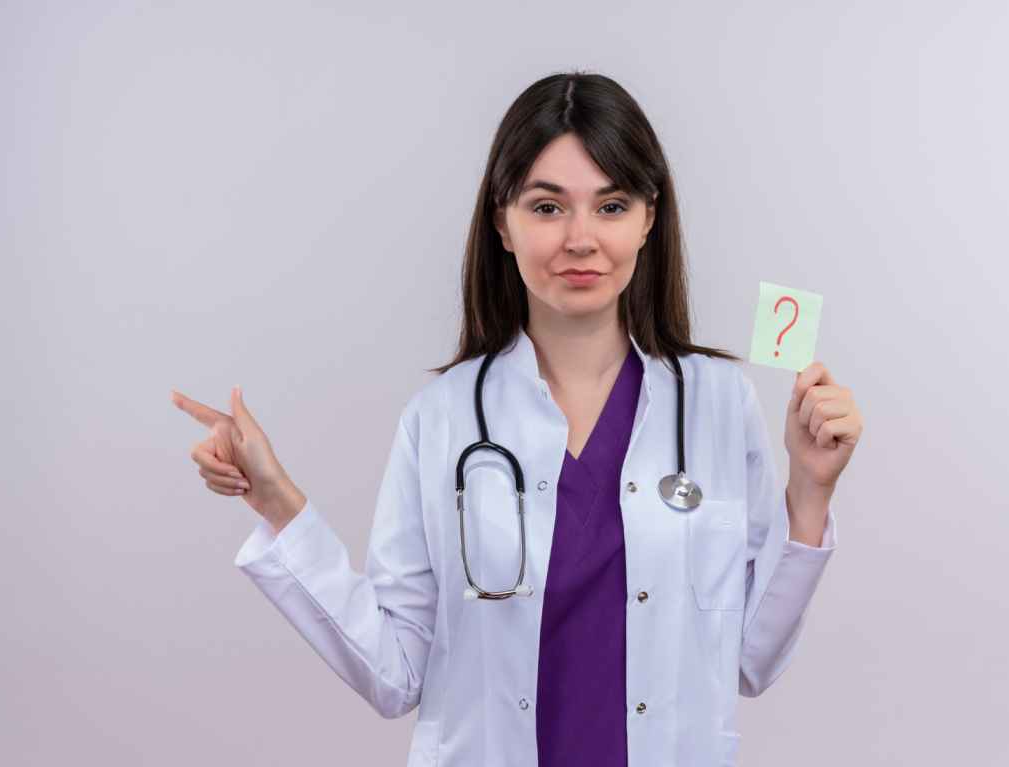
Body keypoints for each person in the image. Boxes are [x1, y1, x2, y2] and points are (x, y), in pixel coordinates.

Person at [171, 70, 863, 767]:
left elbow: (751, 659)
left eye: (612, 205)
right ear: (502, 220)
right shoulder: (441, 420)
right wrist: (276, 501)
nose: (582, 239)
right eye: (547, 207)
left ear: (650, 217)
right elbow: (394, 672)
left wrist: (810, 488)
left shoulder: (715, 403)